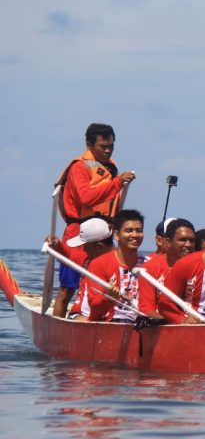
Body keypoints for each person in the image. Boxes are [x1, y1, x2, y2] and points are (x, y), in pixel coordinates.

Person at [52, 123, 136, 317]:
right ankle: (57, 326)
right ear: (89, 145)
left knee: (106, 283)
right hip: (79, 234)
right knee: (67, 288)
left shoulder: (109, 168)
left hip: (103, 234)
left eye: (111, 146)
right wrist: (117, 182)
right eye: (103, 147)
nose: (107, 151)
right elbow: (86, 198)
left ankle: (103, 319)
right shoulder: (79, 168)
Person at [45, 217, 115, 320]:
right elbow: (68, 253)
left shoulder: (120, 263)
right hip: (80, 316)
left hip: (108, 318)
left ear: (99, 247)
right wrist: (57, 244)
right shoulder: (87, 259)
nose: (83, 249)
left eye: (85, 245)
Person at [85, 209, 145, 322]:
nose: (135, 235)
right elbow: (95, 309)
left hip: (142, 322)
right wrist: (108, 298)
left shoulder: (149, 264)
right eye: (128, 231)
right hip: (110, 322)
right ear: (116, 234)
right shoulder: (99, 264)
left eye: (139, 231)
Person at [138, 218, 195, 318]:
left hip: (197, 322)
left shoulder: (199, 267)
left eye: (192, 240)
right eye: (182, 240)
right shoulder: (151, 267)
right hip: (163, 323)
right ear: (168, 242)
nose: (188, 245)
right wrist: (176, 321)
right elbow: (146, 308)